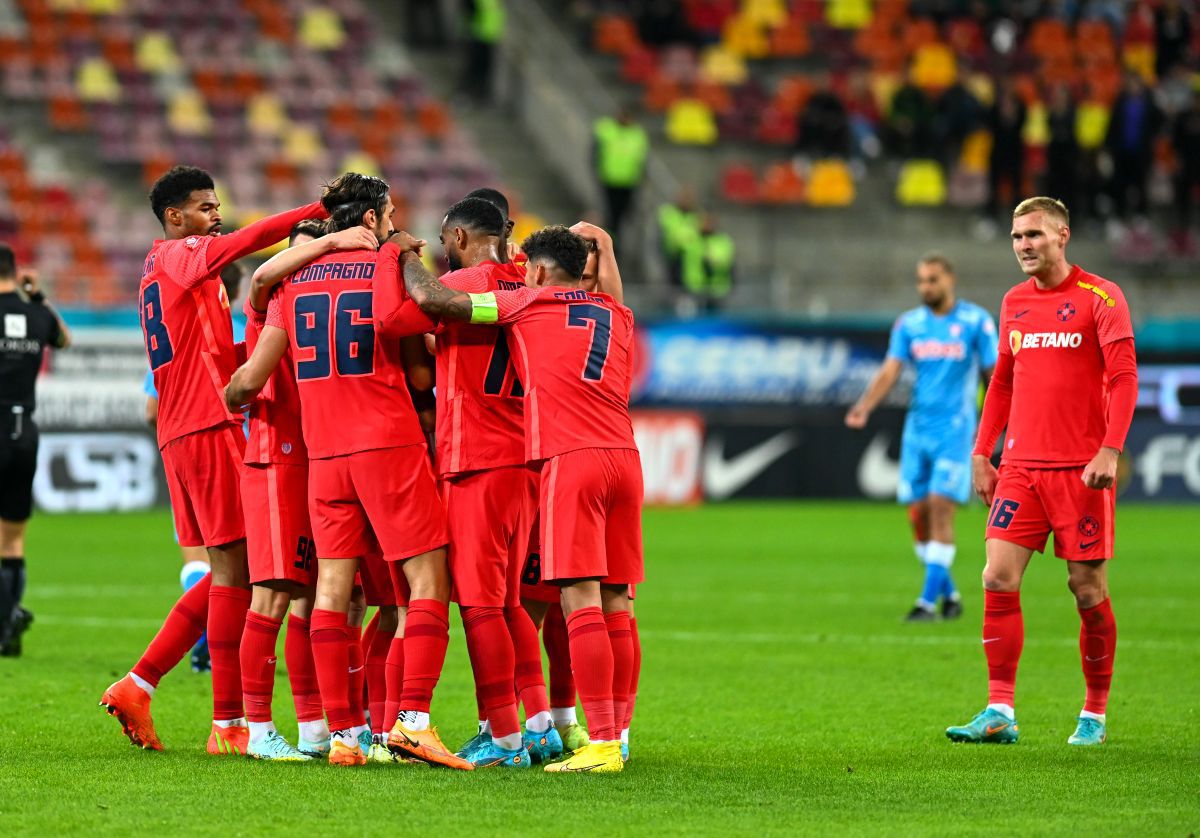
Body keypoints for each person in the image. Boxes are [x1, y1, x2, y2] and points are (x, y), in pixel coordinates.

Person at [225, 173, 468, 769]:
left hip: (323, 455)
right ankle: (412, 722)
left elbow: (253, 377)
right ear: (370, 219)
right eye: (388, 215)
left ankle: (344, 735)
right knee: (426, 580)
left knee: (330, 591)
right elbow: (416, 376)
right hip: (387, 443)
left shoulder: (290, 283)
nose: (392, 225)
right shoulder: (386, 262)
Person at [400, 224, 643, 774]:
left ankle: (601, 745)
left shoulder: (523, 303)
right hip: (625, 461)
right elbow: (610, 288)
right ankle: (619, 735)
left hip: (569, 460)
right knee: (616, 603)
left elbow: (435, 300)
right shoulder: (615, 314)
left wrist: (403, 255)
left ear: (534, 269)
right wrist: (603, 241)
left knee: (577, 601)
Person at [100, 165, 326, 753]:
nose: (215, 216)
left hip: (184, 432)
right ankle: (225, 722)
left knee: (235, 571)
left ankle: (152, 689)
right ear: (175, 217)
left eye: (216, 205)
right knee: (244, 572)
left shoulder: (169, 272)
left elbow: (218, 351)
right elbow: (246, 241)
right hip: (206, 427)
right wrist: (316, 218)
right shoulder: (180, 256)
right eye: (205, 207)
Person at [946, 197, 1137, 747]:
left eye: (1033, 235)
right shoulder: (1013, 303)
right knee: (995, 577)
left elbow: (1124, 378)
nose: (1023, 246)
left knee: (1086, 588)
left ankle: (1094, 715)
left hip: (1081, 471)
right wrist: (984, 452)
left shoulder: (1102, 298)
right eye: (1015, 237)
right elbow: (1002, 380)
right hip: (1022, 468)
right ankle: (999, 710)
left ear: (1062, 235)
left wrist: (1110, 450)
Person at [418, 197, 559, 769]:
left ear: (454, 236)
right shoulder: (531, 280)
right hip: (523, 457)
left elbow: (415, 307)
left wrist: (399, 254)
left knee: (478, 606)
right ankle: (542, 725)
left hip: (476, 458)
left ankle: (503, 739)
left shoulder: (466, 281)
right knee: (508, 604)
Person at [235, 219, 380, 761]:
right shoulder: (269, 300)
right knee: (272, 596)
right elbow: (261, 276)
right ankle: (255, 729)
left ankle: (314, 726)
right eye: (303, 256)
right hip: (277, 459)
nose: (311, 265)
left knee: (317, 601)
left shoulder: (312, 299)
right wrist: (328, 242)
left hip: (319, 460)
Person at [845, 253, 997, 622]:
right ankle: (951, 595)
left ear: (950, 280)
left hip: (956, 430)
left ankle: (925, 604)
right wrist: (864, 406)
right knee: (919, 515)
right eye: (921, 281)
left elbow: (993, 376)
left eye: (932, 280)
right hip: (917, 429)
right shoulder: (909, 325)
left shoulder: (976, 322)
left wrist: (1000, 425)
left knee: (940, 510)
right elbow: (890, 370)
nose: (925, 287)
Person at [143, 259, 247, 675]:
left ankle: (147, 677)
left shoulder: (175, 329)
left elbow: (152, 405)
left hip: (183, 443)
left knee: (206, 562)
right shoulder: (238, 332)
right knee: (254, 569)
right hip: (240, 449)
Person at [0, 247, 70, 656]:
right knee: (12, 541)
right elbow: (64, 339)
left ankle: (7, 620)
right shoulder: (36, 315)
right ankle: (8, 627)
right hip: (24, 431)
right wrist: (39, 297)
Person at [593, 108, 649, 241]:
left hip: (628, 183)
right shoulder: (606, 130)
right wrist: (598, 171)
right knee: (610, 215)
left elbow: (642, 159)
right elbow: (595, 152)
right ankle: (609, 243)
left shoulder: (638, 135)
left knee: (623, 216)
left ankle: (614, 244)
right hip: (609, 180)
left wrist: (640, 178)